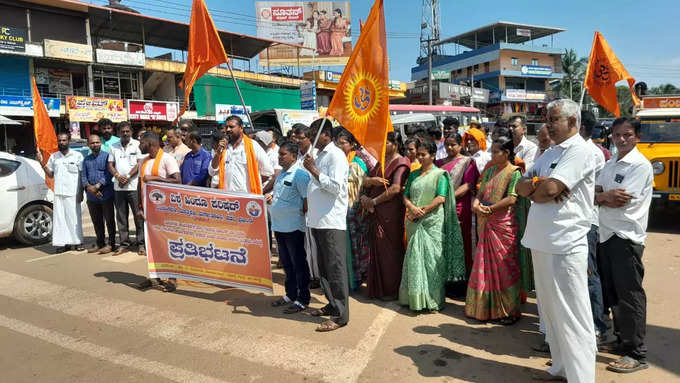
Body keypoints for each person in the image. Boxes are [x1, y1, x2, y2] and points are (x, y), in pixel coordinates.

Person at [516, 99, 597, 383]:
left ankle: (582, 377)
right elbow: (521, 185)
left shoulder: (580, 151)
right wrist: (540, 185)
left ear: (572, 122)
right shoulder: (550, 152)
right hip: (541, 242)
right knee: (551, 315)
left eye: (554, 119)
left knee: (573, 316)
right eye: (547, 119)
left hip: (566, 244)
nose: (548, 124)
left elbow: (549, 188)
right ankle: (562, 368)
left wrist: (540, 186)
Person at [595, 118, 653, 374]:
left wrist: (601, 197)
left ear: (637, 136)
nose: (621, 139)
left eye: (627, 135)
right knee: (614, 294)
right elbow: (600, 192)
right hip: (606, 234)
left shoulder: (640, 165)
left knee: (630, 296)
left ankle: (636, 353)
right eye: (617, 135)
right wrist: (602, 196)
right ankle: (622, 341)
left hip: (626, 236)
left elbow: (620, 199)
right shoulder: (611, 163)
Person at [400, 140, 464, 312]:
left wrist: (424, 210)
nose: (419, 157)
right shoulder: (414, 174)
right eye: (418, 154)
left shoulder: (440, 174)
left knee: (433, 261)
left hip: (432, 222)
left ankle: (433, 300)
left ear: (433, 155)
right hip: (414, 219)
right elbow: (405, 195)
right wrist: (413, 208)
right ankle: (415, 300)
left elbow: (441, 197)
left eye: (423, 154)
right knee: (415, 259)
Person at [465, 136, 523, 324]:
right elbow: (480, 194)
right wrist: (476, 205)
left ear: (506, 153)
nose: (492, 155)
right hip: (485, 221)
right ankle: (484, 309)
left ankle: (508, 311)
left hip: (502, 225)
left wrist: (489, 209)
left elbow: (512, 198)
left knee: (504, 267)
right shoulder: (489, 171)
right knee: (484, 265)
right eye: (491, 151)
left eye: (495, 152)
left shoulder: (514, 172)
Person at [303, 119, 349, 332]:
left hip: (331, 221)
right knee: (323, 268)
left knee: (336, 268)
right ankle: (332, 304)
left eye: (315, 132)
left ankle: (341, 315)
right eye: (311, 132)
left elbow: (335, 187)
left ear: (327, 135)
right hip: (317, 220)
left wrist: (314, 171)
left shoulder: (336, 156)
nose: (311, 136)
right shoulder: (319, 155)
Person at [361, 132, 411, 300]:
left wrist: (374, 201)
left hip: (390, 212)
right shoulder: (381, 160)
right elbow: (366, 180)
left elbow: (396, 188)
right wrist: (369, 186)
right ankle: (378, 288)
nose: (384, 145)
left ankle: (391, 289)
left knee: (389, 250)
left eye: (387, 142)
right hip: (375, 210)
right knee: (377, 248)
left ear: (396, 144)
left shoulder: (401, 163)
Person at [268, 141, 312, 313]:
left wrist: (297, 214)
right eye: (279, 154)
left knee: (298, 264)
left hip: (293, 227)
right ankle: (290, 294)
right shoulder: (281, 174)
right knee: (286, 263)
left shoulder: (300, 175)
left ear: (293, 156)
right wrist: (272, 198)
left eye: (283, 154)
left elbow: (307, 200)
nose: (279, 157)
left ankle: (303, 298)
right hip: (279, 227)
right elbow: (280, 195)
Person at [134, 131, 181, 291]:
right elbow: (139, 186)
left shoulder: (168, 159)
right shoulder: (143, 162)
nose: (139, 145)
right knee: (151, 245)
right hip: (148, 211)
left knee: (168, 244)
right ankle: (155, 276)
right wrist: (139, 208)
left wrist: (155, 178)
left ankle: (173, 278)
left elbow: (177, 180)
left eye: (141, 142)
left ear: (150, 143)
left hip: (165, 212)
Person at [579, 110, 609, 345]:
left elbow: (598, 189)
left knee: (589, 274)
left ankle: (598, 326)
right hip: (573, 222)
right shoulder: (573, 151)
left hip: (587, 222)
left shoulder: (592, 153)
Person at [436, 133, 480, 276]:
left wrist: (447, 198)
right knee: (442, 241)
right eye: (447, 144)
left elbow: (468, 185)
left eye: (453, 144)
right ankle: (445, 278)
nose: (449, 147)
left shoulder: (467, 162)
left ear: (460, 145)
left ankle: (461, 277)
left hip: (459, 207)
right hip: (439, 207)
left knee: (461, 241)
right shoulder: (439, 163)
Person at [38, 131, 85, 253]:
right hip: (59, 193)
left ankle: (78, 242)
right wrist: (41, 162)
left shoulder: (77, 156)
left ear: (69, 141)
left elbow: (81, 175)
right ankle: (64, 243)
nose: (62, 142)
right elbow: (50, 174)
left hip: (73, 193)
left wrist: (80, 192)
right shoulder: (54, 157)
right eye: (59, 140)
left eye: (64, 140)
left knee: (74, 219)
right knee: (60, 220)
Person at [335, 128, 369, 290]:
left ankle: (354, 280)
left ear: (352, 144)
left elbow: (364, 186)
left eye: (343, 143)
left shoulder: (358, 162)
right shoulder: (335, 160)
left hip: (353, 210)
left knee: (354, 245)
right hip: (337, 210)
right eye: (338, 143)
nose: (340, 146)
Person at [208, 116, 274, 194]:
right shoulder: (223, 148)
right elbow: (212, 171)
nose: (228, 129)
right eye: (226, 127)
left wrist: (251, 184)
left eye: (231, 127)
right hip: (226, 199)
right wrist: (218, 153)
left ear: (241, 128)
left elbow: (267, 172)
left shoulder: (253, 146)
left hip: (247, 199)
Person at [291, 123, 321, 288]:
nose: (297, 141)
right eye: (296, 137)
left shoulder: (314, 156)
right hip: (298, 205)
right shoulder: (298, 156)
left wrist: (307, 204)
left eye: (301, 138)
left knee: (312, 244)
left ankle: (315, 276)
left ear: (309, 138)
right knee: (303, 243)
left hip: (311, 205)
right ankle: (307, 272)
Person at [108, 121, 144, 255]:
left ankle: (141, 244)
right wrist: (117, 176)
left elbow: (140, 163)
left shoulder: (137, 144)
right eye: (122, 132)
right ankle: (124, 243)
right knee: (121, 217)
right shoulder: (113, 146)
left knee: (138, 216)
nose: (125, 133)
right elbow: (110, 164)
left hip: (133, 186)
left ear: (131, 132)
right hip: (118, 187)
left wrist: (128, 176)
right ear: (118, 133)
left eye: (127, 131)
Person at [82, 134, 116, 254]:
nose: (95, 145)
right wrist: (90, 187)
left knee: (109, 220)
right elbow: (83, 177)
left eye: (97, 142)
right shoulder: (86, 159)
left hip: (106, 194)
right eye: (92, 143)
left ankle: (111, 244)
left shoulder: (107, 157)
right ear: (88, 145)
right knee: (97, 221)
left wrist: (98, 186)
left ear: (100, 143)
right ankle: (100, 243)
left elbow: (109, 174)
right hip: (92, 196)